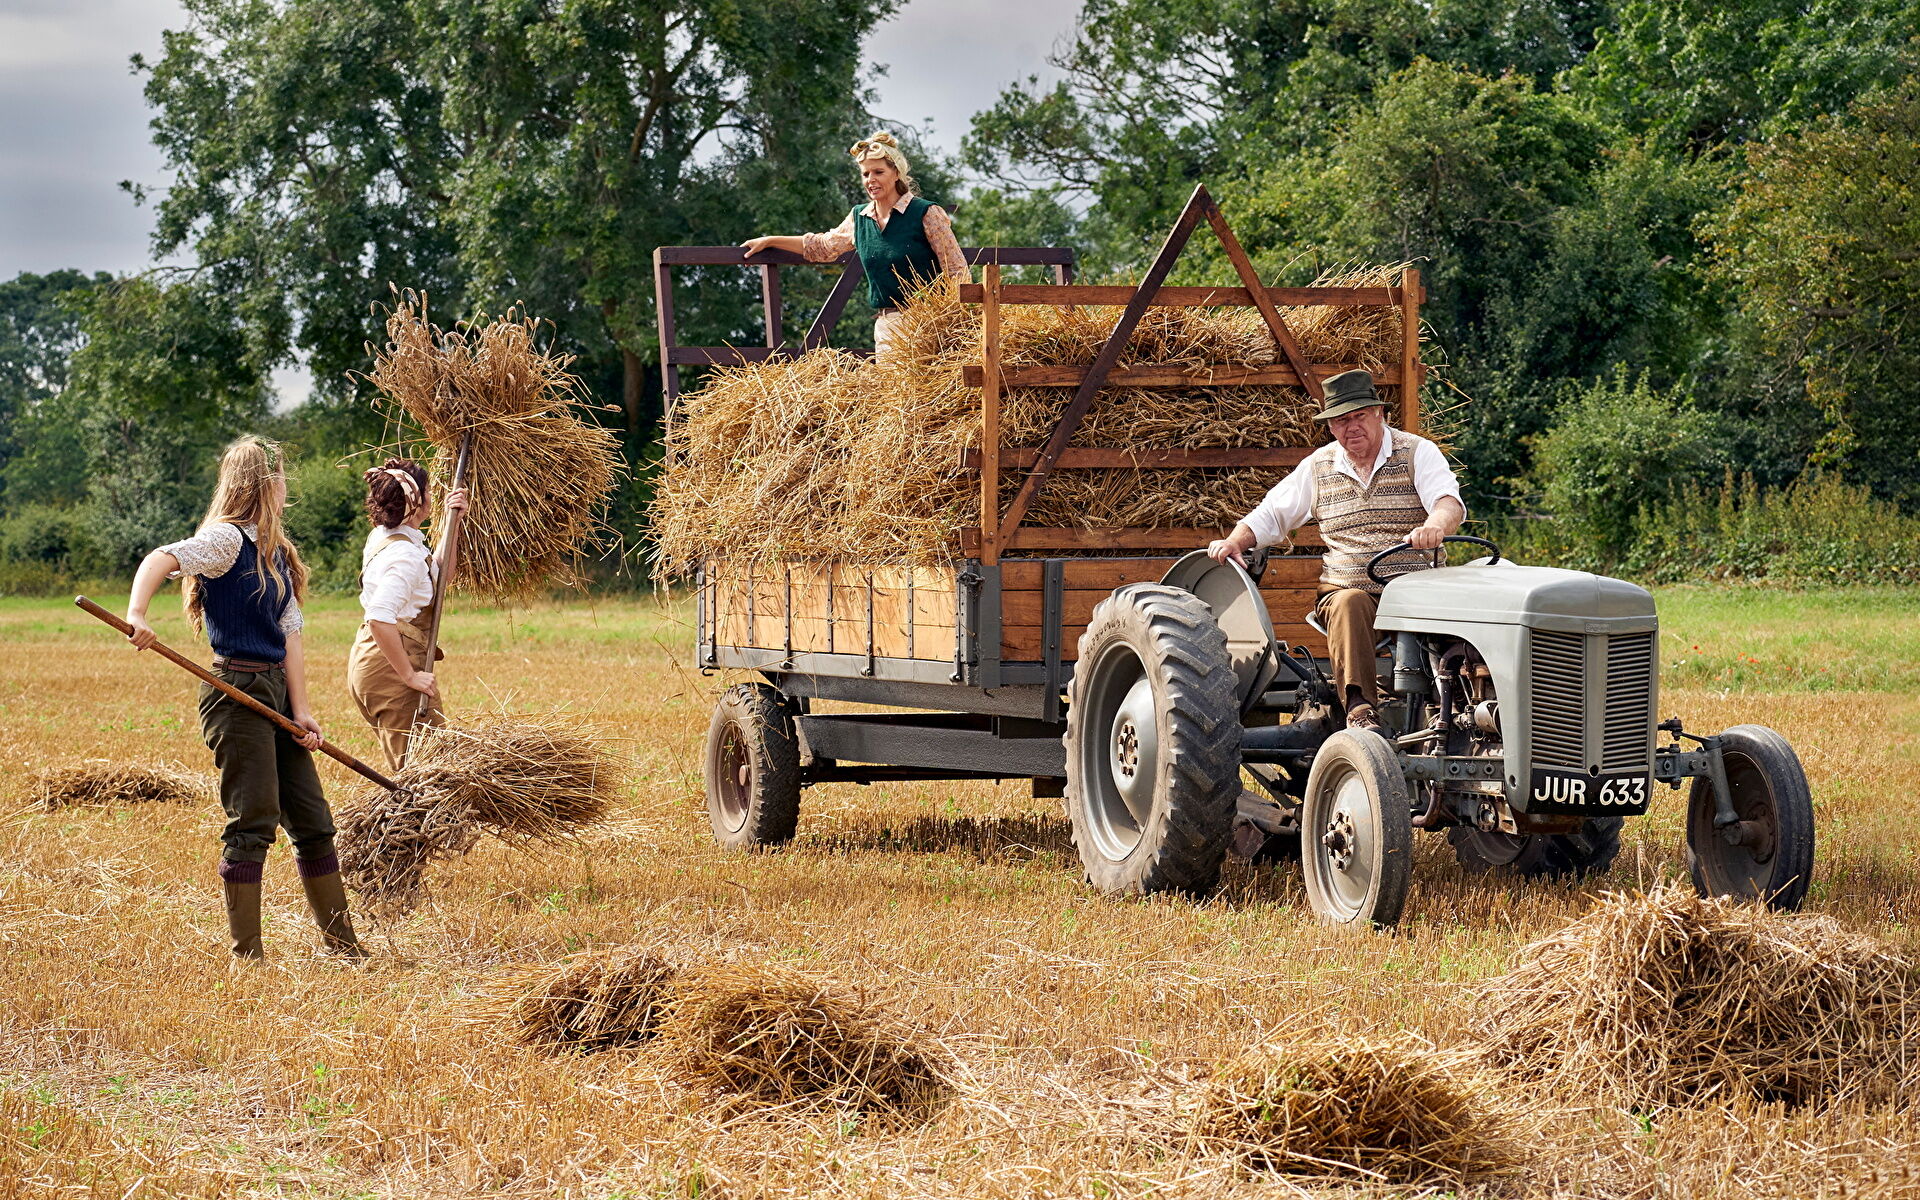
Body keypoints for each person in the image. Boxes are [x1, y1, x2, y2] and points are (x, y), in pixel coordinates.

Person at [123, 436, 364, 960]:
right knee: (254, 819)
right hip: (235, 693)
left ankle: (343, 947)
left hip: (275, 692)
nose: (285, 485)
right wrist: (138, 615)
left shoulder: (277, 554)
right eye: (278, 476)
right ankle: (247, 956)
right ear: (260, 484)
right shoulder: (226, 541)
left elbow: (291, 637)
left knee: (313, 820)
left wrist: (301, 711)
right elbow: (160, 558)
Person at [1206, 370, 1466, 732]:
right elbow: (1271, 513)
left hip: (1417, 591)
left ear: (1380, 413)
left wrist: (1435, 525)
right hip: (1348, 590)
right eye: (1341, 420)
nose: (1351, 427)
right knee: (1350, 602)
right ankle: (1359, 709)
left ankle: (1455, 708)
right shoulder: (1318, 466)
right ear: (1330, 427)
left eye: (1359, 415)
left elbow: (1448, 502)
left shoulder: (1417, 452)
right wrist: (1235, 541)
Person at [740, 131, 968, 357]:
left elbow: (957, 271)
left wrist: (957, 324)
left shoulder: (926, 213)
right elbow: (822, 246)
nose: (871, 180)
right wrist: (770, 240)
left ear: (896, 173)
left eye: (878, 172)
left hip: (930, 325)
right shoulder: (859, 218)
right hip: (888, 329)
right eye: (865, 174)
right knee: (892, 392)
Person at [347, 459, 467, 770]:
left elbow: (438, 574)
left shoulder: (389, 538)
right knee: (425, 773)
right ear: (416, 503)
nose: (432, 495)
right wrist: (409, 675)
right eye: (427, 491)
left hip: (374, 659)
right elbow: (379, 616)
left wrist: (453, 523)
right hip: (391, 667)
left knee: (423, 765)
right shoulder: (404, 557)